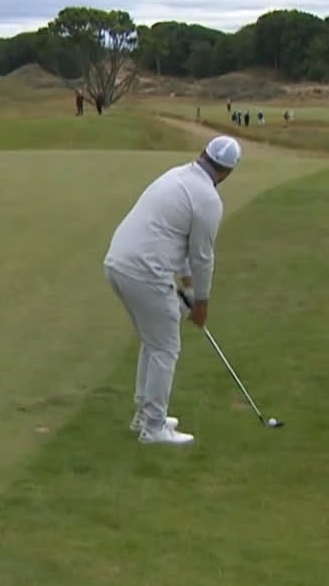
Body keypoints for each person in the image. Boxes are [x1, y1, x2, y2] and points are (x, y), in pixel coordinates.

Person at [103, 134, 241, 445]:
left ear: (203, 153)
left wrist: (189, 289)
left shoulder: (176, 175)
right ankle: (153, 427)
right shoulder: (207, 198)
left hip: (117, 263)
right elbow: (202, 256)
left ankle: (145, 414)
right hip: (144, 270)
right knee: (165, 347)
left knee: (154, 342)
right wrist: (202, 303)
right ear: (228, 172)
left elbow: (180, 245)